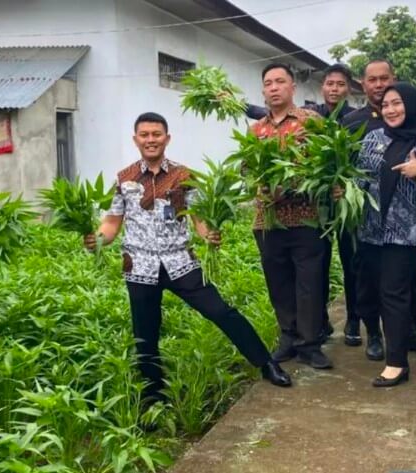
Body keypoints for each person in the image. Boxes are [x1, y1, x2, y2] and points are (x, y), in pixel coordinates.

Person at [84, 112, 291, 403]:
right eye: (145, 135)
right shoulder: (124, 178)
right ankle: (153, 396)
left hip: (181, 263)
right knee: (145, 333)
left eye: (156, 134)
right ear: (136, 139)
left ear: (167, 138)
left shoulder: (183, 176)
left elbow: (198, 217)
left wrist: (208, 235)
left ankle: (266, 363)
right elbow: (111, 222)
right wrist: (97, 240)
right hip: (140, 266)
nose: (151, 140)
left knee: (221, 311)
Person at [246, 63, 356, 344]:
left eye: (280, 82)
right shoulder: (256, 130)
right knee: (279, 283)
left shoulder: (313, 122)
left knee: (310, 285)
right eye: (268, 83)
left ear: (292, 87)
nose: (274, 88)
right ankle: (288, 338)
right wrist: (259, 186)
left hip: (307, 217)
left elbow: (327, 164)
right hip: (268, 220)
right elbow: (247, 170)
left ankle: (310, 343)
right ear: (263, 91)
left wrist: (291, 186)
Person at [342, 60, 416, 361]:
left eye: (396, 103)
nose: (390, 109)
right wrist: (343, 189)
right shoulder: (370, 136)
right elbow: (357, 176)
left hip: (406, 231)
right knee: (372, 286)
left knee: (401, 289)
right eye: (386, 105)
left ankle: (406, 345)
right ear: (363, 84)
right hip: (371, 227)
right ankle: (376, 336)